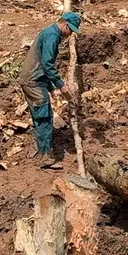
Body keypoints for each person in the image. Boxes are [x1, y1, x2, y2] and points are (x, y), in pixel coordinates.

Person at [18, 11, 82, 169]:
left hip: (33, 79)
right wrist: (61, 84)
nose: (70, 34)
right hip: (34, 81)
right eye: (71, 30)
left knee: (39, 117)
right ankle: (46, 157)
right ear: (65, 24)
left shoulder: (49, 33)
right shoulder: (53, 35)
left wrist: (51, 87)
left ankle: (40, 150)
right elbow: (47, 64)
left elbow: (41, 63)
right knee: (45, 118)